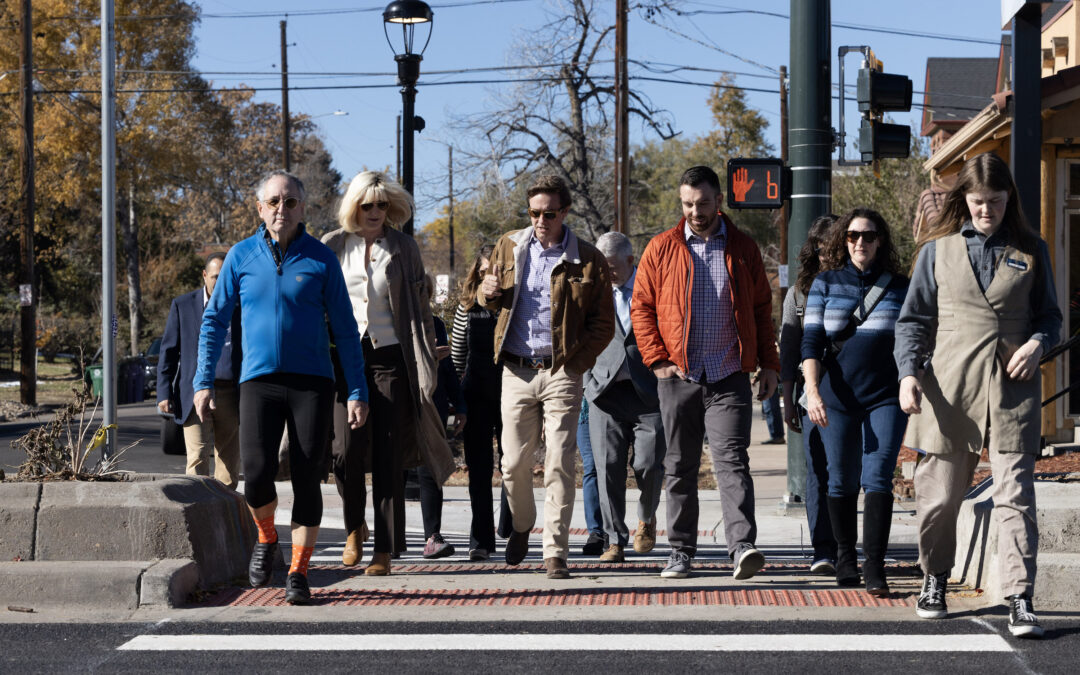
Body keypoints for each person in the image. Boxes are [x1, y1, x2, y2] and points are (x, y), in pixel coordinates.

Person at [894, 152, 1061, 637]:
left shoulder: (1033, 250)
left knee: (1016, 495)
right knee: (940, 497)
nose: (987, 209)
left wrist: (1037, 343)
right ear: (963, 200)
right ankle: (934, 577)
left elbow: (1050, 318)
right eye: (978, 201)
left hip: (1013, 389)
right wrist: (908, 374)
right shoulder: (936, 251)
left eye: (996, 201)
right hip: (949, 387)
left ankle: (1019, 595)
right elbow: (913, 321)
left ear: (1010, 198)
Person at [194, 169, 369, 606]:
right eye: (273, 201)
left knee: (309, 477)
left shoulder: (320, 258)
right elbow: (214, 320)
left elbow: (346, 330)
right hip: (258, 380)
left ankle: (298, 571)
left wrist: (357, 390)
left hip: (313, 383)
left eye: (290, 202)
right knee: (254, 474)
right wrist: (202, 380)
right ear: (259, 207)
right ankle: (267, 536)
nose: (281, 209)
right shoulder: (240, 256)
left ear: (302, 209)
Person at [632, 165, 779, 580]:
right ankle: (680, 551)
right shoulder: (661, 248)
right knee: (679, 465)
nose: (695, 211)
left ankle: (742, 547)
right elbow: (641, 308)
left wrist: (769, 363)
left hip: (728, 373)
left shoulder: (743, 248)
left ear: (719, 201)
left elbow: (760, 311)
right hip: (678, 376)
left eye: (702, 203)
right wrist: (657, 359)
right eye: (687, 204)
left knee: (732, 462)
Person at [478, 174, 615, 579]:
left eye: (549, 213)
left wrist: (576, 364)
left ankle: (555, 551)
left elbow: (603, 324)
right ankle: (522, 525)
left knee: (558, 462)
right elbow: (486, 298)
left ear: (565, 212)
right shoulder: (510, 245)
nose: (540, 220)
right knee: (514, 464)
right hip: (516, 370)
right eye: (534, 212)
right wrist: (486, 290)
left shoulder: (588, 258)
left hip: (560, 370)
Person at [321, 170, 455, 577]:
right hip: (343, 359)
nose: (375, 211)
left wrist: (428, 360)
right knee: (344, 450)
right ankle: (353, 526)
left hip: (390, 358)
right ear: (353, 207)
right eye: (367, 205)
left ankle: (383, 548)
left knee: (388, 454)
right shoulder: (331, 246)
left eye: (382, 204)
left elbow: (420, 311)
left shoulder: (402, 247)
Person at [802, 209, 908, 595]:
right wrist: (812, 391)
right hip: (836, 397)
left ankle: (875, 565)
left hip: (886, 397)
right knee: (841, 477)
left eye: (868, 235)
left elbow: (914, 340)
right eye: (851, 236)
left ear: (880, 240)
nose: (859, 242)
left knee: (878, 476)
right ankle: (845, 557)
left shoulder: (900, 286)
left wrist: (914, 379)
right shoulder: (825, 283)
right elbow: (811, 340)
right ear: (842, 241)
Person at [585, 231, 666, 563]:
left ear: (631, 261)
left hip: (649, 394)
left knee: (649, 464)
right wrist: (587, 382)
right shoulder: (591, 293)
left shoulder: (653, 291)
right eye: (601, 266)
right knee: (607, 468)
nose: (607, 272)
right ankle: (615, 540)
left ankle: (646, 518)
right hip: (603, 394)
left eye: (613, 266)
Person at [778, 214, 838, 575]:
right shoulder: (798, 293)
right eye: (821, 247)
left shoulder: (859, 285)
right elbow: (788, 351)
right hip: (811, 393)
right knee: (818, 471)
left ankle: (845, 546)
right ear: (812, 250)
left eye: (833, 247)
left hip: (854, 392)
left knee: (849, 472)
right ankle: (823, 550)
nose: (828, 255)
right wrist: (788, 400)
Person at [157, 252, 242, 489]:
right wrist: (164, 392)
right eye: (215, 276)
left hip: (231, 394)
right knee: (197, 457)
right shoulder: (183, 306)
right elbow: (169, 351)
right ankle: (197, 513)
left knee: (229, 462)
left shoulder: (242, 306)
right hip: (194, 392)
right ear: (205, 276)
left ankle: (224, 514)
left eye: (225, 276)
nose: (220, 281)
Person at [451, 246, 514, 561]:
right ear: (477, 275)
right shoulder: (467, 308)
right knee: (478, 470)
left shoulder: (514, 307)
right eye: (485, 270)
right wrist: (455, 401)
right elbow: (456, 357)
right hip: (475, 393)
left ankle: (512, 527)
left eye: (497, 270)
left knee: (512, 464)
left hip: (512, 393)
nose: (491, 276)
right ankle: (481, 540)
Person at [416, 307, 467, 559]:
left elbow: (447, 369)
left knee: (430, 471)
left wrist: (460, 405)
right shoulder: (391, 323)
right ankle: (389, 543)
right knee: (397, 474)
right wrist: (425, 356)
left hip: (433, 406)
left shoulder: (435, 323)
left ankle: (432, 536)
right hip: (402, 403)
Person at [576, 399, 607, 555]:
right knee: (591, 467)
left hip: (613, 405)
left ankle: (612, 529)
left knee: (612, 469)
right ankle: (595, 532)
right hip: (585, 408)